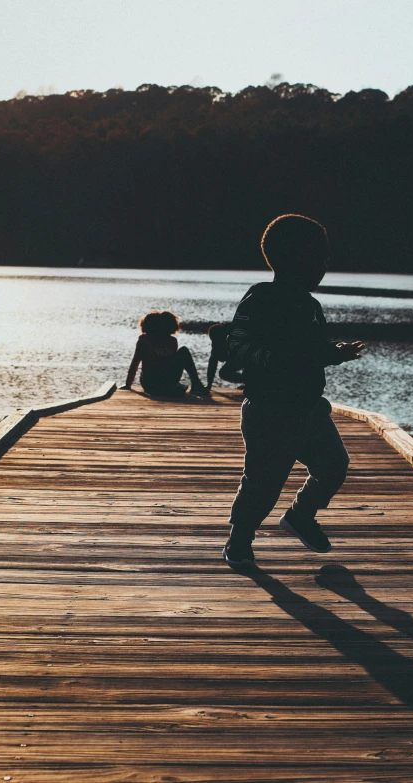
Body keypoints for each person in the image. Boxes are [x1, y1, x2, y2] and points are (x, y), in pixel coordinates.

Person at [222, 214, 365, 566]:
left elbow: (313, 352)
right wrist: (277, 360)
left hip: (310, 409)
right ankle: (239, 541)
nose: (325, 265)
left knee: (334, 465)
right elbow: (236, 346)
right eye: (318, 257)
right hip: (269, 409)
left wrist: (334, 353)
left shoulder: (311, 306)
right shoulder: (261, 297)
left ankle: (300, 515)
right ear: (290, 257)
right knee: (263, 481)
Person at [122, 310, 208, 397]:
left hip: (156, 381)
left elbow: (135, 362)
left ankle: (192, 384)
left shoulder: (170, 341)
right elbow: (135, 362)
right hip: (152, 383)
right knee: (184, 351)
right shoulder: (145, 341)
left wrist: (128, 384)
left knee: (183, 351)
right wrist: (128, 384)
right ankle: (195, 384)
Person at [206, 323, 244, 392]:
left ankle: (250, 381)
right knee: (224, 373)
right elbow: (212, 366)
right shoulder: (217, 346)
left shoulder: (234, 337)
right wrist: (209, 385)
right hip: (238, 357)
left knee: (224, 373)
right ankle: (248, 381)